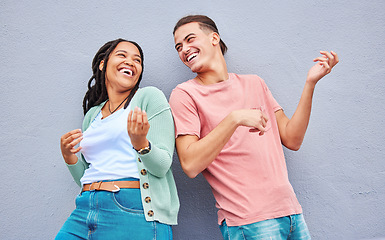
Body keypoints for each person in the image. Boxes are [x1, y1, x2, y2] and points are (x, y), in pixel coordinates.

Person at [169, 15, 338, 239]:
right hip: (249, 221)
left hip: (291, 213)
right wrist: (234, 119)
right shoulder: (185, 95)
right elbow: (190, 164)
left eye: (190, 40)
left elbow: (292, 139)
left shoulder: (255, 83)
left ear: (214, 38)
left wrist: (310, 83)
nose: (184, 50)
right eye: (179, 47)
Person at [56, 38, 179, 240]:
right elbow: (86, 178)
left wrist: (141, 144)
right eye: (122, 55)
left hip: (131, 209)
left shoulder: (149, 98)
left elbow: (162, 166)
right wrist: (69, 157)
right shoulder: (92, 115)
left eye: (137, 60)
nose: (131, 62)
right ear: (103, 63)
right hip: (85, 207)